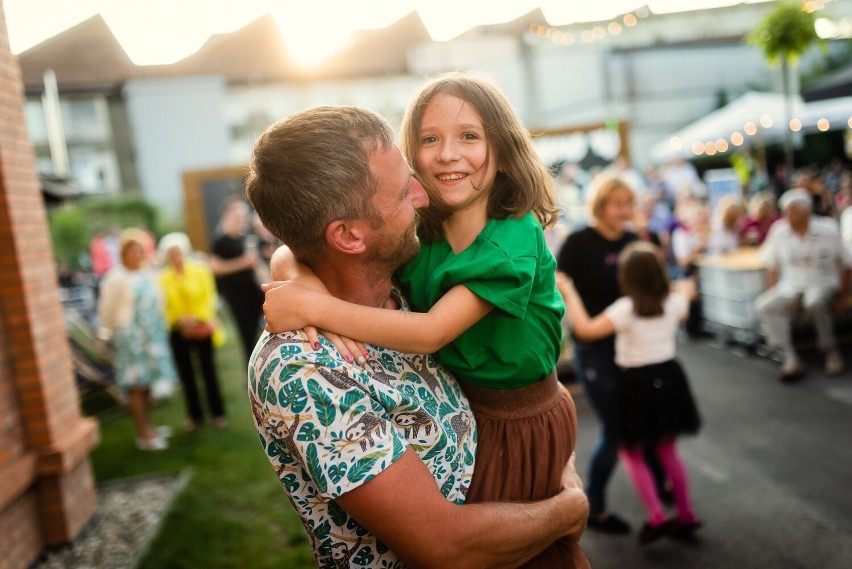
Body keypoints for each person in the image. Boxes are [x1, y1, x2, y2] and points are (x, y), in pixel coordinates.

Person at [261, 73, 588, 568]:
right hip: (486, 432)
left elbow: (431, 331)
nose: (423, 186)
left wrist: (311, 302)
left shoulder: (489, 245)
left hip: (520, 414)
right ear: (349, 235)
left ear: (503, 148)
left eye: (470, 136)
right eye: (428, 143)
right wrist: (292, 276)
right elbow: (448, 547)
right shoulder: (305, 369)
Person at [560, 241, 703, 545]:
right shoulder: (673, 303)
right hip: (669, 379)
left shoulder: (626, 309)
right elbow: (685, 310)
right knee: (667, 450)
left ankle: (656, 516)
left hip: (636, 386)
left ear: (626, 278)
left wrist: (570, 292)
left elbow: (585, 330)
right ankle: (687, 514)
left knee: (631, 450)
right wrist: (687, 291)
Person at [557, 175, 670, 535]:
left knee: (645, 419)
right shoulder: (578, 243)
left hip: (634, 349)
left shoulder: (634, 241)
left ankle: (660, 482)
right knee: (617, 430)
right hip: (595, 349)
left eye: (628, 203)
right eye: (617, 203)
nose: (624, 211)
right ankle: (597, 508)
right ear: (600, 204)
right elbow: (559, 287)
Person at [754, 188, 851, 381]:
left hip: (822, 284)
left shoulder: (827, 229)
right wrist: (773, 290)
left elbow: (846, 265)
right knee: (764, 305)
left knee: (814, 302)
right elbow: (771, 266)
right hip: (790, 286)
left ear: (806, 210)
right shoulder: (779, 231)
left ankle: (830, 352)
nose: (787, 216)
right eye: (786, 211)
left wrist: (842, 296)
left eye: (792, 210)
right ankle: (788, 357)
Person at [97, 228, 177, 450]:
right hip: (131, 339)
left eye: (140, 250)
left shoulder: (147, 274)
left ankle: (150, 428)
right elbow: (107, 310)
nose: (137, 254)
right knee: (137, 387)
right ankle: (144, 435)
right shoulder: (116, 278)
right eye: (132, 250)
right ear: (123, 253)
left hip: (152, 339)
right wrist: (105, 336)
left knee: (149, 384)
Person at [158, 232, 228, 431]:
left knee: (209, 371)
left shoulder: (200, 270)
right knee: (186, 374)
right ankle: (195, 416)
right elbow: (164, 306)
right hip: (178, 330)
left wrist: (197, 320)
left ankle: (218, 413)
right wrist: (181, 321)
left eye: (178, 252)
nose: (176, 257)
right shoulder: (163, 278)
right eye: (171, 254)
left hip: (202, 326)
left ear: (185, 252)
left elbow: (210, 298)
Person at [208, 197, 265, 363]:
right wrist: (243, 263)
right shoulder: (220, 240)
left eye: (244, 215)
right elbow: (215, 268)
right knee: (247, 335)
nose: (242, 218)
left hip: (253, 293)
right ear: (228, 215)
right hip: (237, 296)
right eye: (238, 215)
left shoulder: (245, 238)